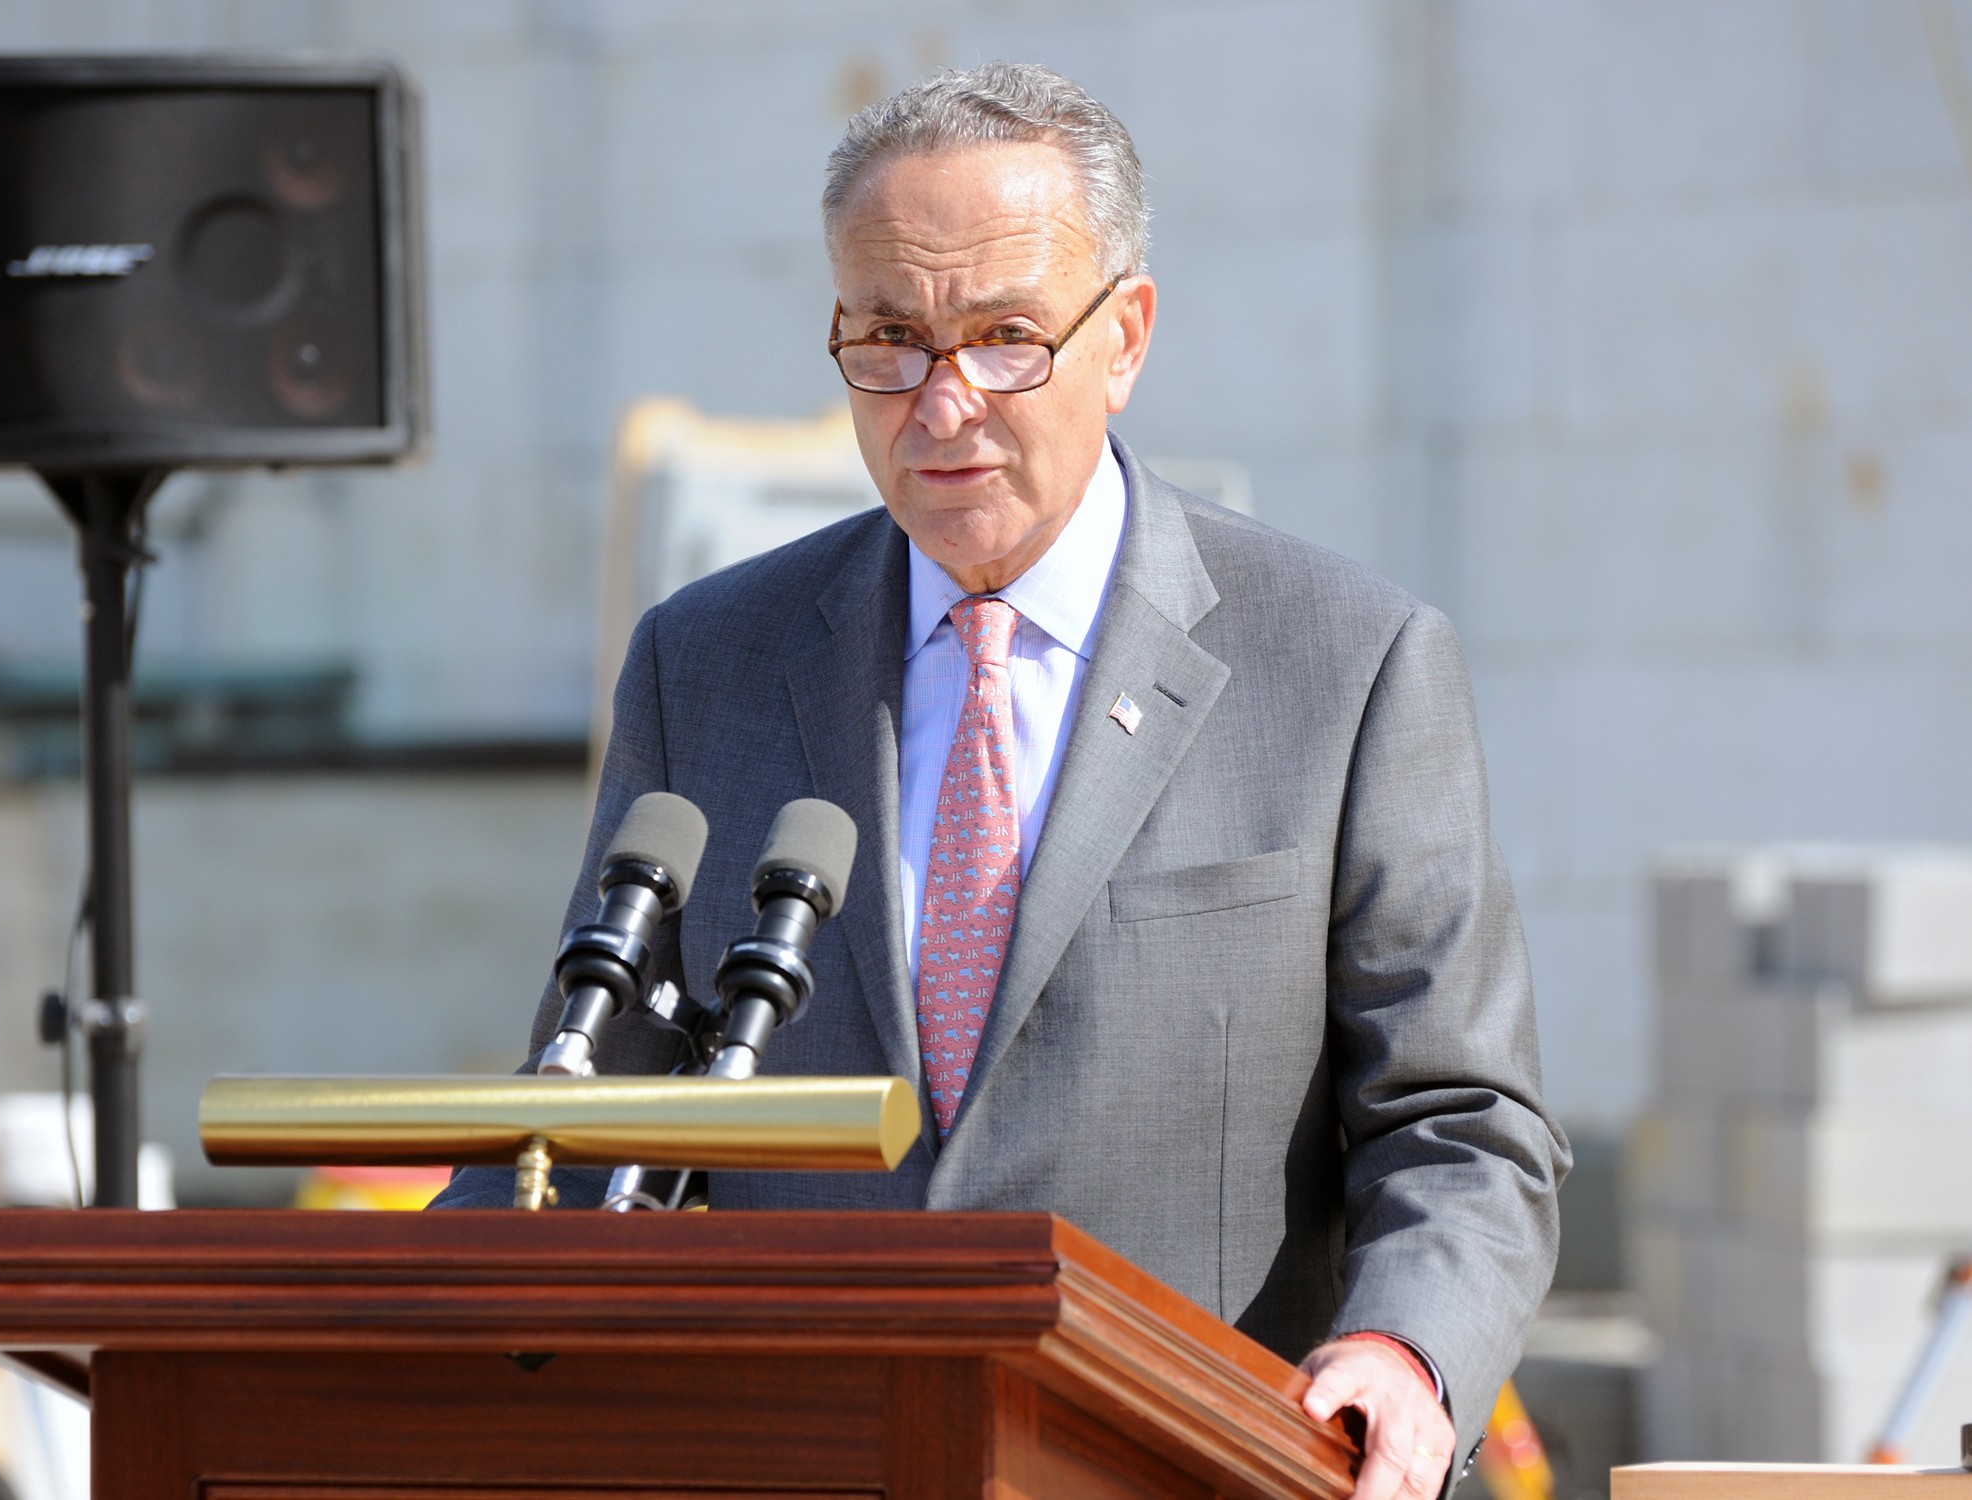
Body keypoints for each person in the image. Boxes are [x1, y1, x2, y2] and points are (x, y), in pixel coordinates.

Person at [437, 62, 1569, 1500]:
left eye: (1006, 338)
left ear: (1127, 337)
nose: (944, 401)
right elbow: (593, 1102)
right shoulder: (705, 663)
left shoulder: (1348, 662)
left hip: (1200, 1467)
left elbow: (1462, 1122)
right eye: (891, 341)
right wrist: (380, 1323)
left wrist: (1406, 1356)